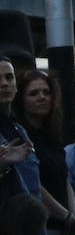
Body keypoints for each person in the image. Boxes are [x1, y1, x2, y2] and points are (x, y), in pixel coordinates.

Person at [13, 68, 74, 229]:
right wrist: (65, 215)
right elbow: (34, 183)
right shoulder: (19, 137)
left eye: (46, 92)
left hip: (65, 224)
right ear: (21, 100)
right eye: (34, 93)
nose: (42, 97)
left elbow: (64, 178)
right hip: (41, 224)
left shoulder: (52, 137)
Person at [0, 58, 42, 204]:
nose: (4, 83)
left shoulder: (20, 129)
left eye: (9, 77)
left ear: (16, 86)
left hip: (32, 220)